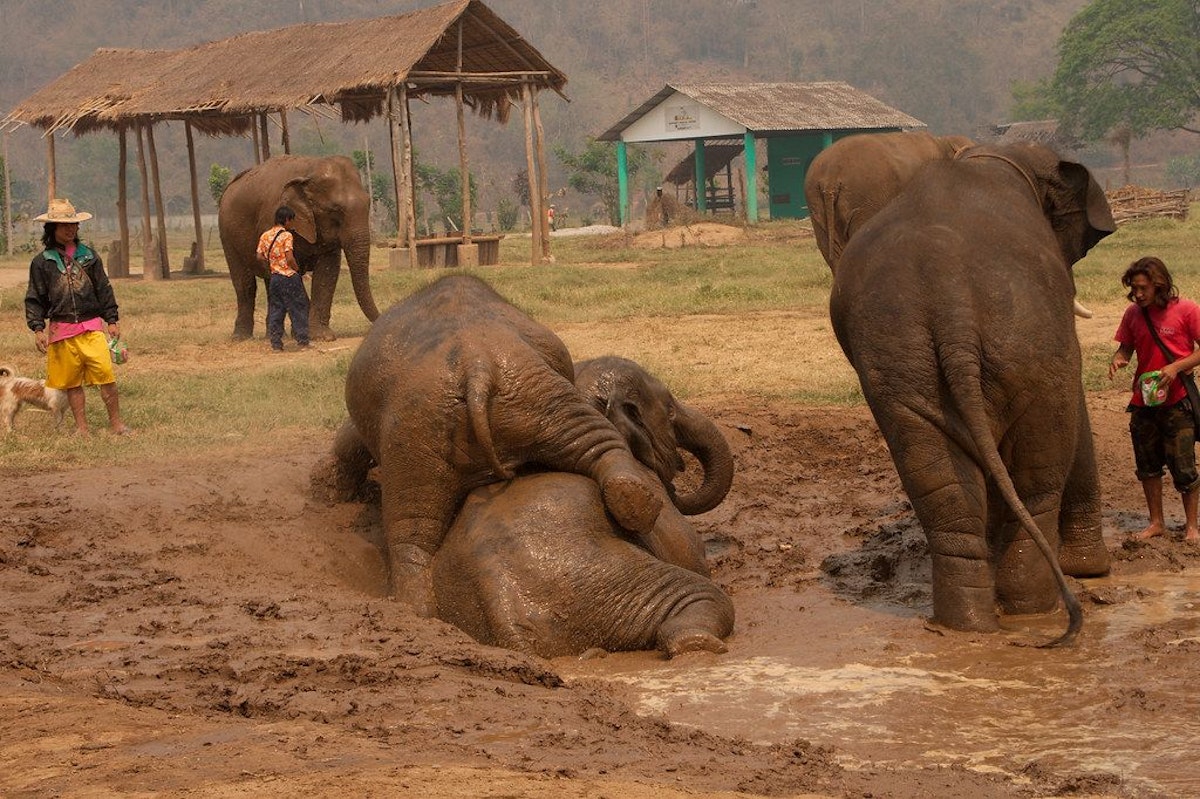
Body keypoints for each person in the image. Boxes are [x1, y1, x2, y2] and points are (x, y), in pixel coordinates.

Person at [1109, 256, 1200, 542]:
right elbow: (1126, 347)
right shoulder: (1133, 314)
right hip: (1144, 401)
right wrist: (1119, 359)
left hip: (1178, 401)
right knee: (1147, 465)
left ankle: (1192, 527)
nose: (1137, 294)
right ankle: (1156, 522)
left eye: (1143, 288)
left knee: (1184, 466)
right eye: (1134, 289)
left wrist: (1176, 367)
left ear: (1159, 285)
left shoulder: (1186, 310)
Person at [25, 198, 132, 437]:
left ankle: (116, 424)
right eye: (64, 225)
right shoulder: (42, 263)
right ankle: (82, 428)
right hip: (61, 330)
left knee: (106, 376)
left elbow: (104, 289)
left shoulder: (89, 257)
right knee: (72, 383)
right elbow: (35, 297)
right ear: (52, 229)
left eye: (73, 224)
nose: (70, 229)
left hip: (91, 326)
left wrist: (112, 320)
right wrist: (37, 328)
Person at [256, 205, 310, 352]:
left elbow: (259, 256)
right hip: (289, 277)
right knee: (298, 308)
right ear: (286, 220)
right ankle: (303, 341)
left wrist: (272, 265)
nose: (292, 224)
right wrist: (298, 270)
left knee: (276, 310)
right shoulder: (287, 236)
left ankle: (276, 344)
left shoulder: (265, 235)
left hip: (275, 278)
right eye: (291, 221)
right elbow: (290, 257)